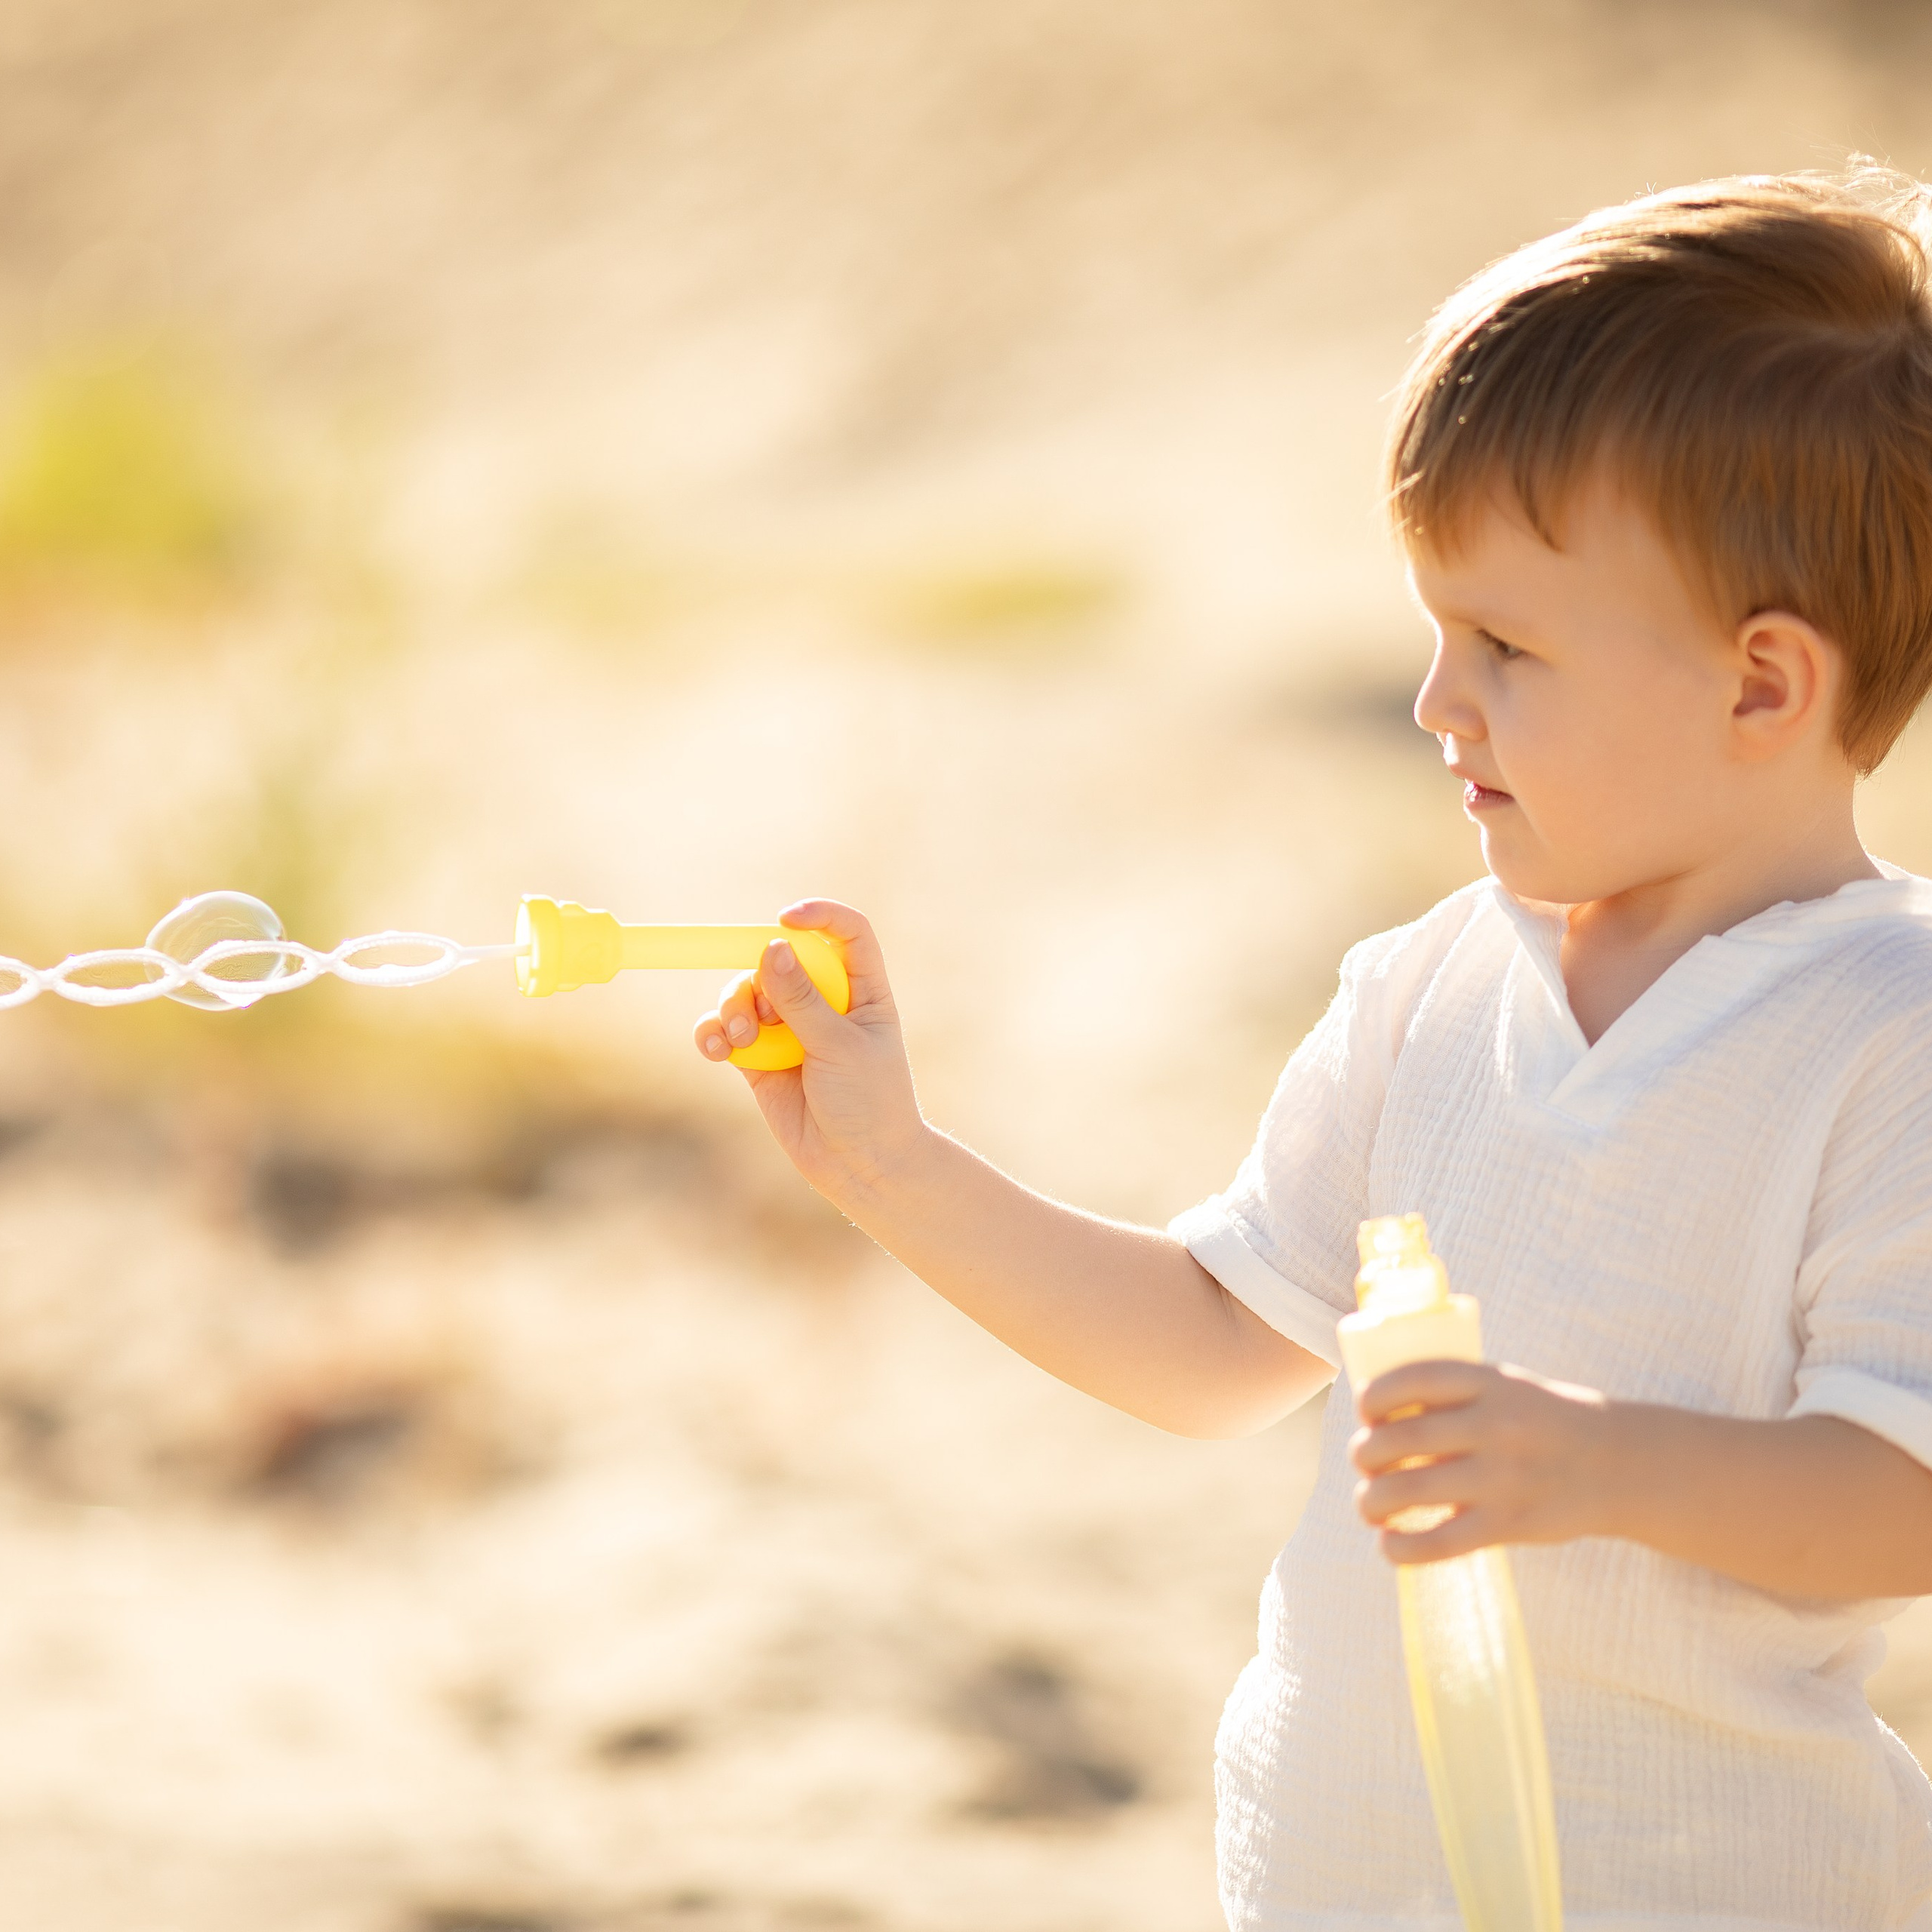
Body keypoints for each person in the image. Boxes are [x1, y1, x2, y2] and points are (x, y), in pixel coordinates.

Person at [693, 172, 1932, 1928]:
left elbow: (1903, 1490)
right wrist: (893, 1164)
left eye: (1503, 645)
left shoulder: (1885, 1028)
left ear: (1759, 687)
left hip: (1706, 1884)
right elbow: (1213, 1343)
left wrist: (1588, 1462)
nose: (1436, 700)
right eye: (1436, 629)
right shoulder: (1427, 983)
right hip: (1345, 1872)